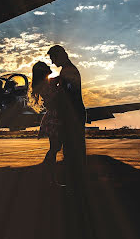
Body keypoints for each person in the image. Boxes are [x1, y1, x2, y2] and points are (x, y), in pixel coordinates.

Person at [47, 45, 91, 238]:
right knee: (73, 152)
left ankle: (77, 191)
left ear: (61, 55)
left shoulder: (69, 71)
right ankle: (77, 188)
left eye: (53, 58)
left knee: (74, 153)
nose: (53, 63)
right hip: (73, 117)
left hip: (72, 118)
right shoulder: (67, 71)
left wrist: (52, 97)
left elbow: (67, 96)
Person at [31, 61, 62, 184]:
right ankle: (49, 177)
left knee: (55, 148)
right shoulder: (46, 85)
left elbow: (58, 79)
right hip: (53, 119)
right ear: (43, 71)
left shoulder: (46, 83)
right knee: (54, 149)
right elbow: (55, 98)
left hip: (52, 118)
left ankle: (49, 177)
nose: (49, 66)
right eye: (46, 66)